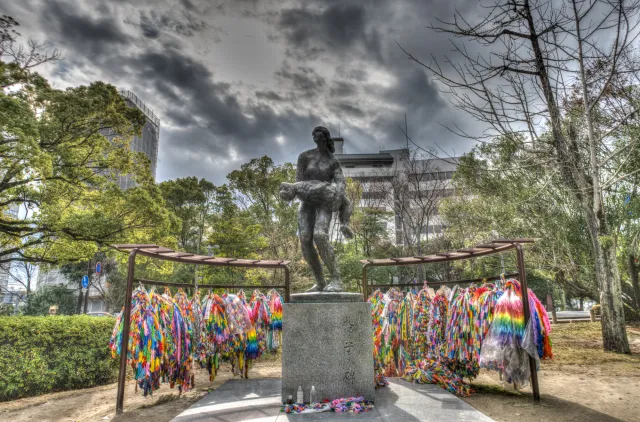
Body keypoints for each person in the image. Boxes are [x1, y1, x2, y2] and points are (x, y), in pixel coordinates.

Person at [282, 126, 351, 292]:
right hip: (307, 201)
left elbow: (341, 182)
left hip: (324, 202)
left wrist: (337, 195)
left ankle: (336, 279)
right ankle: (320, 281)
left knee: (320, 235)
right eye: (315, 137)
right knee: (305, 240)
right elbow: (298, 182)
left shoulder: (333, 161)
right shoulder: (305, 157)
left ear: (326, 139)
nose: (317, 140)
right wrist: (296, 192)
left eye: (320, 138)